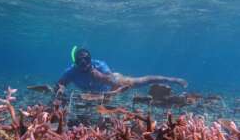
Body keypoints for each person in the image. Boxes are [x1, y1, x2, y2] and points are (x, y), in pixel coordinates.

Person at [54, 47, 187, 97]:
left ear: (90, 59)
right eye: (80, 61)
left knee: (141, 81)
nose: (84, 64)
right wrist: (60, 89)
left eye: (87, 60)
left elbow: (113, 82)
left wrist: (100, 76)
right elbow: (60, 84)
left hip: (113, 82)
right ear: (76, 61)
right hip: (96, 94)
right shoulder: (71, 71)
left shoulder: (99, 65)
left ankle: (173, 80)